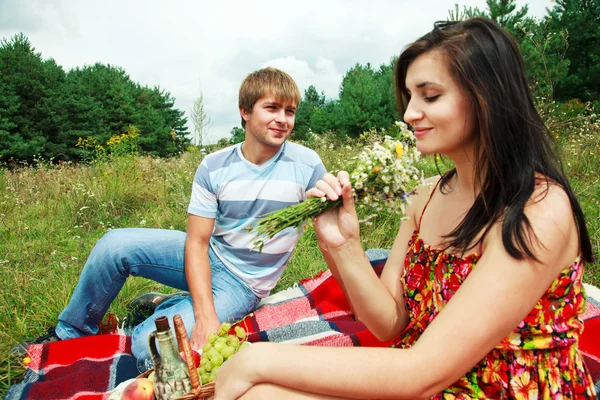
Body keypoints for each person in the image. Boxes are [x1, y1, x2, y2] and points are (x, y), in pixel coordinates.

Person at [213, 18, 597, 399]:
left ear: (487, 97)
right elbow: (389, 325)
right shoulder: (426, 196)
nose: (410, 113)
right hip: (427, 379)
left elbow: (421, 372)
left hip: (502, 389)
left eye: (429, 96)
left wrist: (256, 359)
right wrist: (343, 244)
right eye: (410, 97)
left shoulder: (538, 209)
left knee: (257, 386)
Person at [13, 67, 327, 372]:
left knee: (147, 344)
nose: (282, 120)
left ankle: (165, 305)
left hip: (245, 284)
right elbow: (197, 241)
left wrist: (341, 196)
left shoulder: (307, 165)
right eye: (271, 108)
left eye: (290, 111)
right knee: (114, 245)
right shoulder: (213, 166)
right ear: (245, 111)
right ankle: (70, 333)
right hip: (210, 253)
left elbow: (333, 227)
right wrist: (205, 315)